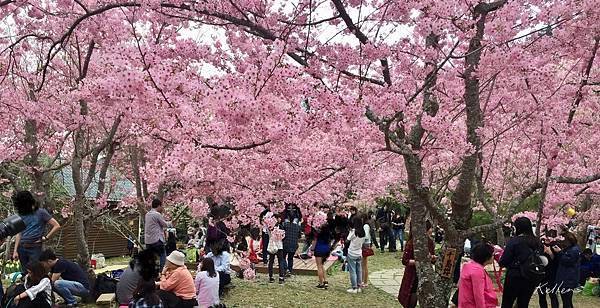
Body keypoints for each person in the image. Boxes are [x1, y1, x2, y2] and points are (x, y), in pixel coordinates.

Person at [498, 216, 543, 308]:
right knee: (523, 303)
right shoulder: (537, 242)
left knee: (507, 303)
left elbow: (504, 261)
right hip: (531, 276)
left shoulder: (514, 241)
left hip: (514, 276)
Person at [12, 190, 61, 272]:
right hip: (22, 247)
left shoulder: (40, 212)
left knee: (35, 271)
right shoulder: (21, 214)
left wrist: (46, 238)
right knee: (25, 272)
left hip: (35, 247)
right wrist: (15, 250)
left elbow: (57, 225)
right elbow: (19, 233)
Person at [398, 221, 435, 308]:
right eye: (430, 228)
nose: (431, 230)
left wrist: (432, 258)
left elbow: (433, 261)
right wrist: (419, 261)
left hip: (425, 273)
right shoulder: (412, 242)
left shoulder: (430, 242)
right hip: (412, 274)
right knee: (411, 293)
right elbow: (405, 260)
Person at [458, 243, 498, 308]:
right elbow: (478, 295)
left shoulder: (469, 265)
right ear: (486, 257)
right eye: (493, 255)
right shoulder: (477, 271)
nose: (494, 257)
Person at [549, 232, 581, 308]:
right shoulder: (571, 249)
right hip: (566, 278)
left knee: (566, 300)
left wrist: (559, 252)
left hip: (568, 279)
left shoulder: (574, 250)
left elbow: (567, 261)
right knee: (567, 300)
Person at [145, 198, 169, 271]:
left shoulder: (147, 214)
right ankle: (162, 272)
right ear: (158, 206)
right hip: (157, 240)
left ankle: (150, 273)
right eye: (161, 206)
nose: (162, 208)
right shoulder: (157, 214)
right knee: (162, 255)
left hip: (148, 240)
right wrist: (171, 223)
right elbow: (165, 224)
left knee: (150, 258)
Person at [346, 216, 366, 294]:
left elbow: (347, 240)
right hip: (359, 253)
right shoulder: (363, 232)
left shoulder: (354, 232)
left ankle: (354, 288)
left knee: (353, 271)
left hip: (352, 253)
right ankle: (359, 287)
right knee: (359, 270)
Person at [538, 238, 559, 308]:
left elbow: (557, 260)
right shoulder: (540, 246)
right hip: (542, 275)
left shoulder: (555, 245)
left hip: (552, 274)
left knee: (553, 295)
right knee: (542, 295)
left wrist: (551, 254)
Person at [313, 221, 333, 289]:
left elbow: (314, 242)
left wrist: (312, 249)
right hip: (326, 249)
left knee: (319, 266)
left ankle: (321, 283)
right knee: (322, 265)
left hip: (319, 249)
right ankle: (325, 281)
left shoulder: (318, 234)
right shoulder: (329, 234)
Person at [267, 215, 285, 284]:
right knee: (280, 261)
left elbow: (268, 235)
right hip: (279, 246)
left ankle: (271, 277)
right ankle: (281, 277)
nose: (280, 219)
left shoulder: (269, 227)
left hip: (272, 245)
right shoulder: (281, 227)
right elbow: (283, 237)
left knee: (271, 261)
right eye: (279, 218)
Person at [361, 213, 372, 288]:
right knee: (363, 264)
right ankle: (363, 281)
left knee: (364, 264)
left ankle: (364, 281)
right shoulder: (366, 225)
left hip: (364, 245)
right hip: (365, 244)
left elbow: (366, 236)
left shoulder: (365, 226)